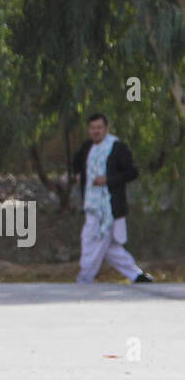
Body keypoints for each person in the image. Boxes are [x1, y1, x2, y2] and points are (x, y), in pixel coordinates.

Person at [73, 113, 152, 284]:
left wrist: (108, 179)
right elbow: (77, 162)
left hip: (109, 206)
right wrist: (78, 174)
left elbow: (132, 172)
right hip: (92, 204)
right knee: (108, 247)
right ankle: (136, 275)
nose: (96, 131)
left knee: (91, 241)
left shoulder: (116, 148)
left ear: (106, 129)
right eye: (93, 128)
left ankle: (85, 277)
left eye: (99, 128)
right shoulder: (87, 147)